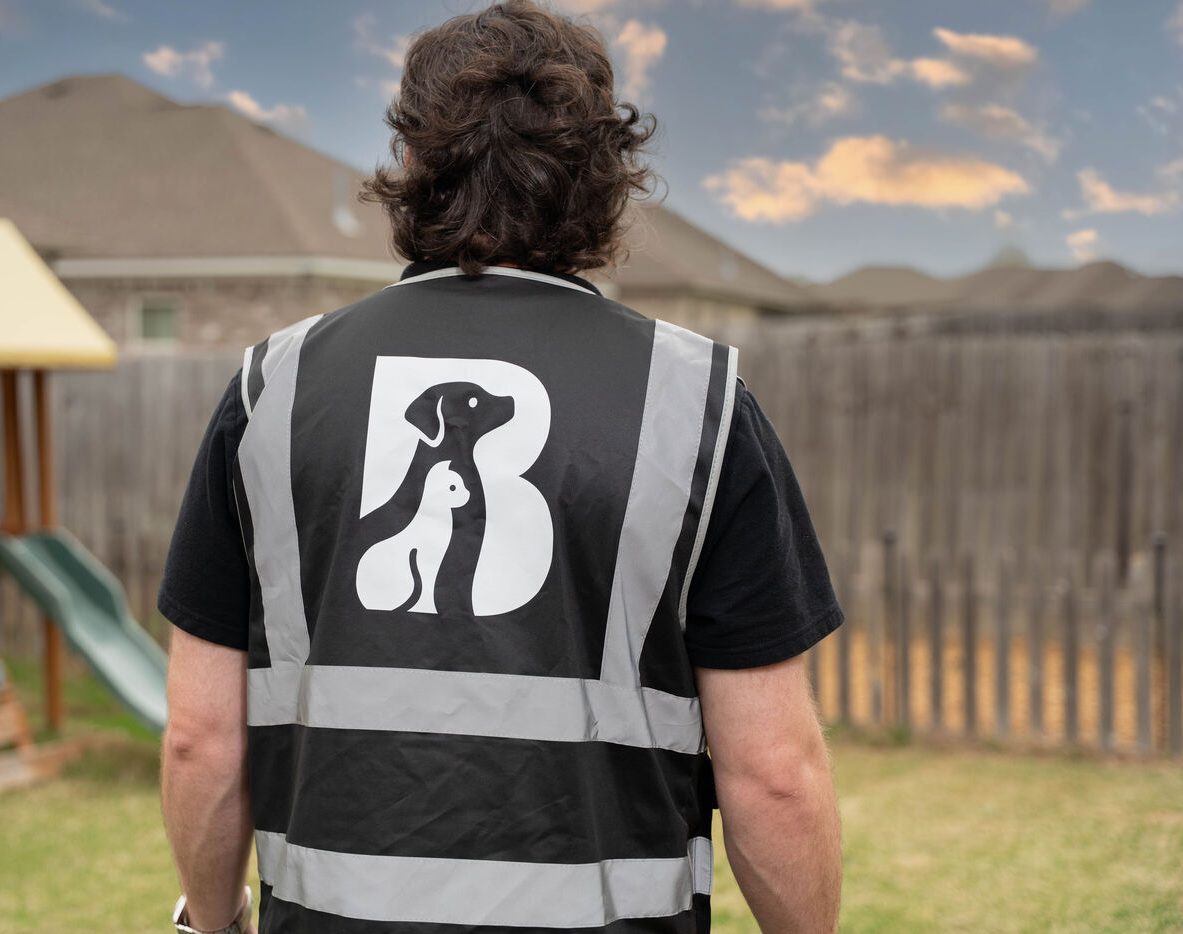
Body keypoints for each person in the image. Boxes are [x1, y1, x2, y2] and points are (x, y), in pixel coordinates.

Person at [158, 1, 843, 931]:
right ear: (605, 176)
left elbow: (202, 742)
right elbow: (775, 779)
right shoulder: (697, 402)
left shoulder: (271, 392)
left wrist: (210, 918)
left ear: (411, 164)